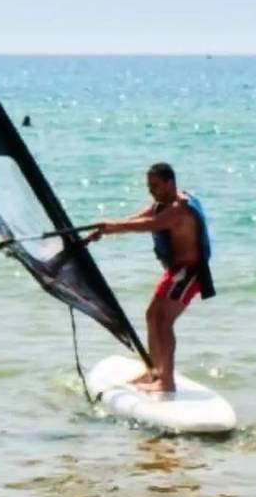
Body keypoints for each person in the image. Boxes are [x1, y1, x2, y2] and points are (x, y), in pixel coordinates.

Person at [85, 162, 214, 393]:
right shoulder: (161, 204)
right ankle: (154, 371)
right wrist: (105, 230)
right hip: (176, 272)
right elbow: (137, 218)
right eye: (148, 186)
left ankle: (167, 381)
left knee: (164, 320)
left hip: (190, 273)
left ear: (170, 183)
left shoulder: (178, 209)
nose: (151, 191)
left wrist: (111, 226)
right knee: (152, 315)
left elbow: (150, 225)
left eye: (155, 186)